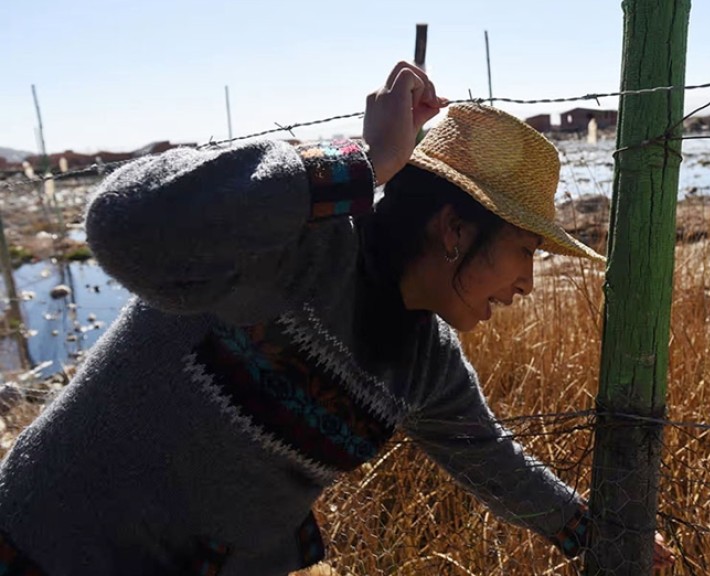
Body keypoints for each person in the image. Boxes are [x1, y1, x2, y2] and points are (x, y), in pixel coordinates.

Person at [0, 62, 674, 574]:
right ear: (453, 230)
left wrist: (606, 539)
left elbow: (494, 465)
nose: (528, 283)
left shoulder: (427, 364)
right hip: (44, 547)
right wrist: (365, 161)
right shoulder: (297, 244)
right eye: (524, 250)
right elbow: (121, 224)